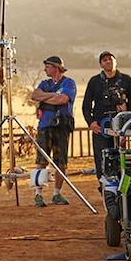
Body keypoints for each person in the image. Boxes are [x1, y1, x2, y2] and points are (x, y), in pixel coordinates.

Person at [82, 51, 131, 182]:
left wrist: (127, 119)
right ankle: (104, 187)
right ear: (101, 64)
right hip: (101, 127)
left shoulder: (126, 80)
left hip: (119, 127)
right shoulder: (95, 81)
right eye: (104, 60)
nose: (108, 62)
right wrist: (91, 123)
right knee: (102, 158)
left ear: (115, 61)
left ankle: (121, 185)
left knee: (120, 156)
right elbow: (86, 105)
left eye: (110, 59)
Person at [30, 56, 77, 206]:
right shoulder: (45, 83)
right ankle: (38, 194)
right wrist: (52, 96)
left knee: (61, 161)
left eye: (48, 67)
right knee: (41, 160)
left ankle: (57, 193)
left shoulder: (69, 83)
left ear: (56, 67)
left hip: (62, 126)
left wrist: (46, 97)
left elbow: (63, 99)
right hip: (44, 125)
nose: (45, 70)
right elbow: (35, 95)